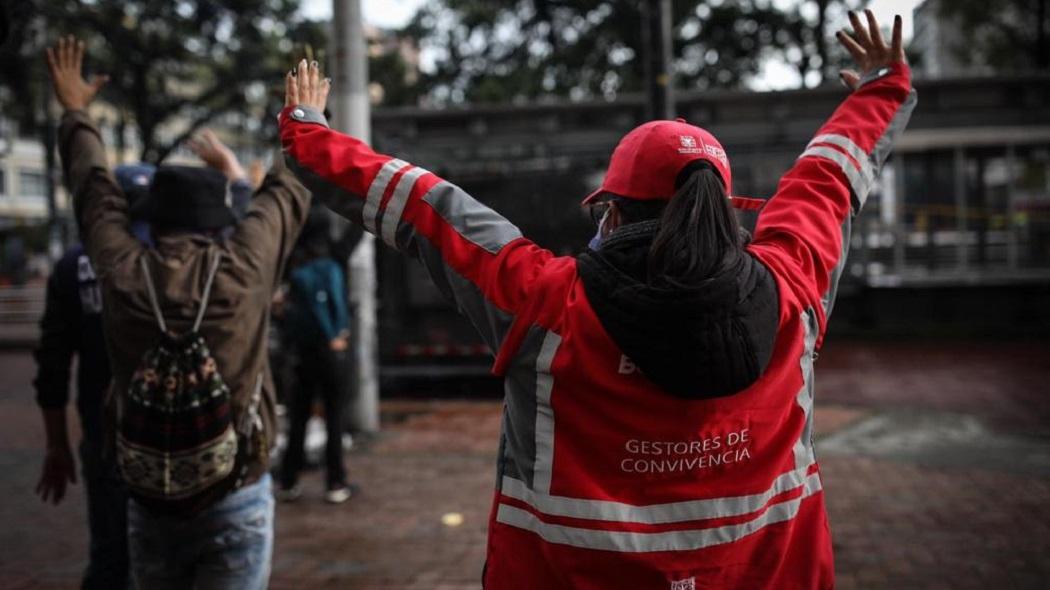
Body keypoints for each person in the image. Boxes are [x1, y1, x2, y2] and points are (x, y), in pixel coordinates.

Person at [279, 11, 915, 588]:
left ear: (610, 212)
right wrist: (881, 84)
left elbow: (427, 205)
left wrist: (308, 136)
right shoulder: (791, 288)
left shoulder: (545, 303)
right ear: (721, 210)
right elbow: (827, 178)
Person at [47, 35, 311, 589]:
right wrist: (304, 116)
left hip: (148, 500)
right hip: (235, 496)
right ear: (220, 224)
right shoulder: (244, 268)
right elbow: (287, 189)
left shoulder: (121, 269)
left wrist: (76, 111)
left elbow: (93, 190)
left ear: (153, 220)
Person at [31, 162, 156, 590]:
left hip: (104, 435)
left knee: (109, 554)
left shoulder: (73, 264)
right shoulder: (177, 251)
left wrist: (56, 444)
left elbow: (52, 365)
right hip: (171, 438)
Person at [277, 212, 355, 504]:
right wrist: (336, 334)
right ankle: (335, 482)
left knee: (299, 416)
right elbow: (331, 304)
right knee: (335, 416)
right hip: (329, 350)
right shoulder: (332, 263)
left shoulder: (294, 265)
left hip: (302, 352)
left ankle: (288, 481)